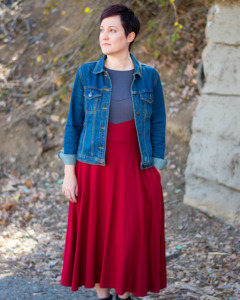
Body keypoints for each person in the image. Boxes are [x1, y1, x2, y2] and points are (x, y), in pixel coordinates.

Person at [58, 4, 168, 300]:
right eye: (101, 30)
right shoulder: (86, 75)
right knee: (97, 236)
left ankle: (125, 294)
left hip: (136, 168)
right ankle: (103, 296)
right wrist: (70, 174)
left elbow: (158, 123)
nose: (104, 36)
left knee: (129, 235)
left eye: (112, 30)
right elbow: (74, 124)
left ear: (129, 35)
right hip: (93, 169)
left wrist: (156, 167)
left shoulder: (150, 77)